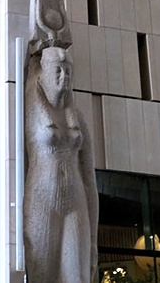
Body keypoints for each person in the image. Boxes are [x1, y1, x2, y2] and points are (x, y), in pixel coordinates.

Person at [23, 46, 99, 282]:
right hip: (42, 201)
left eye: (68, 71)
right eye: (57, 70)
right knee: (41, 275)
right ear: (43, 73)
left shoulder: (77, 118)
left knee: (79, 277)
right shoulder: (30, 110)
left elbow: (89, 180)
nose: (64, 77)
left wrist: (94, 240)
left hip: (76, 202)